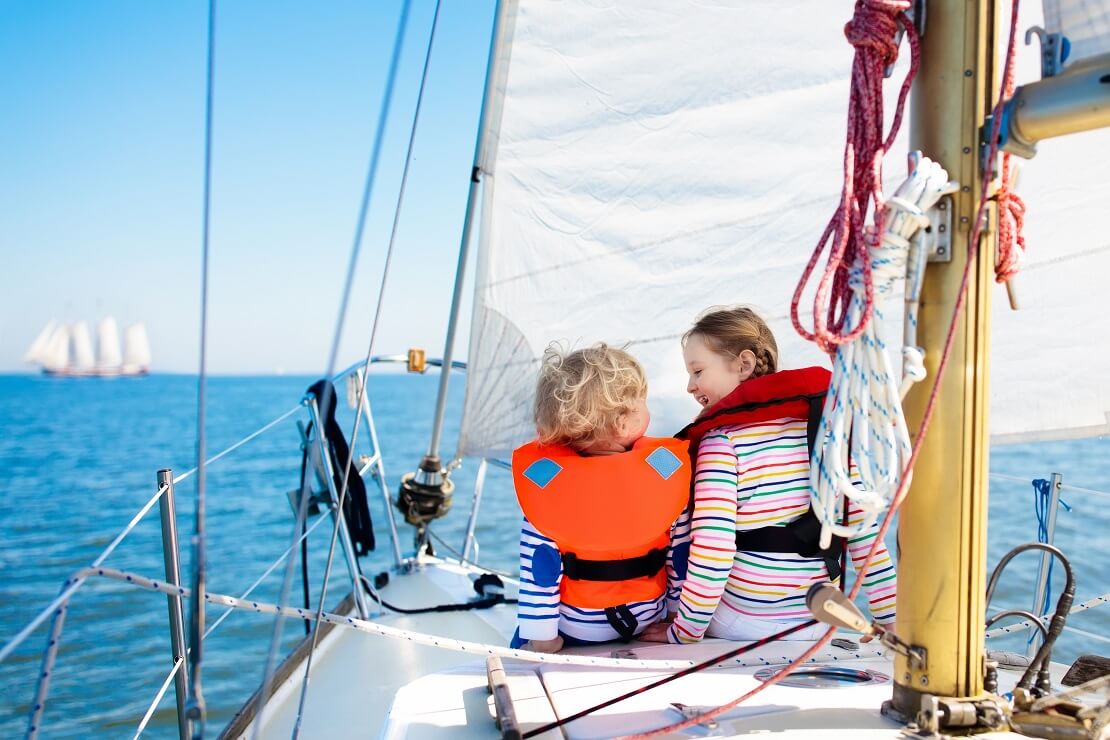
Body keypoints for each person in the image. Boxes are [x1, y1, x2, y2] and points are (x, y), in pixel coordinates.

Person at [640, 306, 896, 644]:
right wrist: (890, 621)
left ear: (744, 364)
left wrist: (683, 632)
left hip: (741, 622)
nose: (690, 386)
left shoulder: (723, 442)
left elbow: (713, 553)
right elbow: (864, 535)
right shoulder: (826, 431)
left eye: (698, 370)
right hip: (816, 623)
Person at [511, 343, 691, 652]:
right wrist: (675, 615)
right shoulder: (664, 467)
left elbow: (539, 568)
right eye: (642, 401)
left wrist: (541, 638)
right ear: (624, 422)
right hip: (648, 618)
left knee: (516, 645)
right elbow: (680, 555)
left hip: (579, 627)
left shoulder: (547, 481)